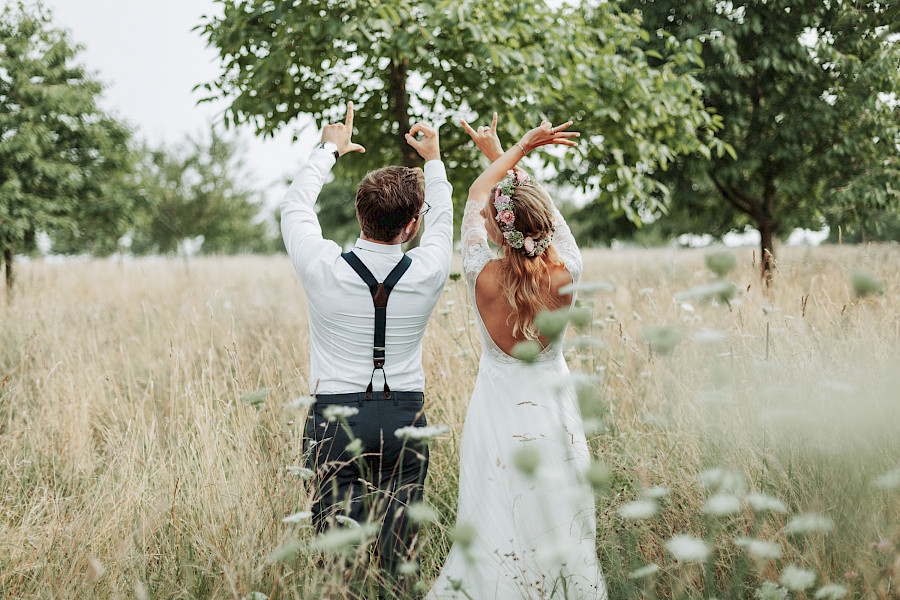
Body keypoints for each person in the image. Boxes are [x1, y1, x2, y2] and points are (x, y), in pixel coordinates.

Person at [425, 114, 607, 600]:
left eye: (491, 219)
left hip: (494, 414)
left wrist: (515, 148)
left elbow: (475, 197)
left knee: (493, 514)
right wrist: (506, 151)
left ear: (501, 232)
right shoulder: (569, 268)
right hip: (553, 413)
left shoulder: (479, 272)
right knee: (556, 514)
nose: (483, 218)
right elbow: (541, 211)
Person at [281, 101, 453, 585]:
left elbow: (295, 205)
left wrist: (327, 150)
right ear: (411, 224)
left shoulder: (323, 267)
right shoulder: (429, 269)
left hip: (335, 419)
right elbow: (443, 219)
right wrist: (433, 161)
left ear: (360, 214)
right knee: (400, 562)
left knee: (337, 566)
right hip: (405, 417)